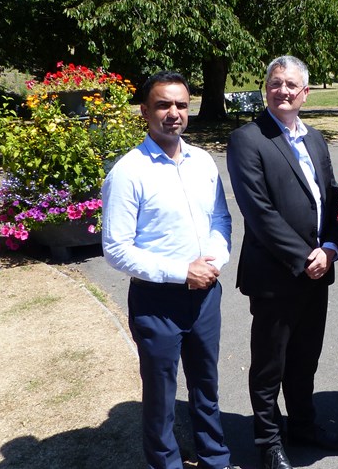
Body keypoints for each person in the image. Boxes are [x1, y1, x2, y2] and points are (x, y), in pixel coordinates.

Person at [101, 71, 236, 469]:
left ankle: (216, 459)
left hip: (205, 295)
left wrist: (214, 261)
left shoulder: (203, 162)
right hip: (157, 301)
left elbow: (221, 220)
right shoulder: (128, 172)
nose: (173, 112)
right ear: (145, 111)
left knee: (206, 387)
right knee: (161, 398)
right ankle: (166, 464)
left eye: (180, 104)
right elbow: (116, 249)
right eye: (163, 104)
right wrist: (182, 272)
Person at [227, 56, 338, 469]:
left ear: (305, 93)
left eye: (291, 85)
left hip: (318, 271)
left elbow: (332, 198)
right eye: (275, 83)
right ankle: (268, 440)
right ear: (266, 88)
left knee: (305, 358)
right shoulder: (248, 138)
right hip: (276, 276)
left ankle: (303, 426)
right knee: (270, 363)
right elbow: (258, 212)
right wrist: (303, 258)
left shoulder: (314, 138)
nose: (282, 91)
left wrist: (330, 248)